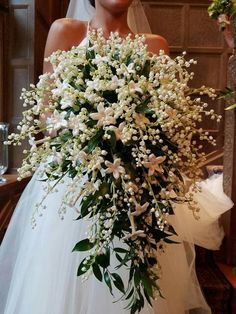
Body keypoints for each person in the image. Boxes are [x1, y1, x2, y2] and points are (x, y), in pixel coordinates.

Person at [0, 1, 233, 313]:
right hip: (74, 186)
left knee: (133, 282)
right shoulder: (65, 31)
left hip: (133, 188)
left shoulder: (155, 45)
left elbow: (164, 125)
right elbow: (48, 114)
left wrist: (134, 144)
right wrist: (88, 133)